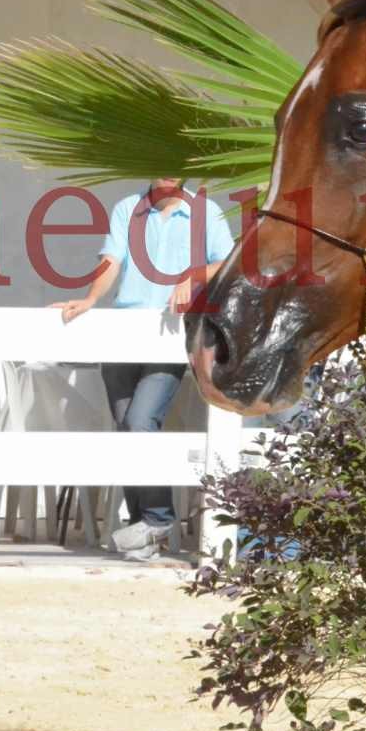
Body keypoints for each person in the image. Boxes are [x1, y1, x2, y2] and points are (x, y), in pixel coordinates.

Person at [53, 177, 233, 560]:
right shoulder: (127, 209)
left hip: (169, 337)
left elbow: (228, 262)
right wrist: (90, 298)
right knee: (126, 429)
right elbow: (111, 259)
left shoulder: (206, 212)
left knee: (139, 421)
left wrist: (192, 276)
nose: (167, 172)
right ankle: (143, 530)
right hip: (122, 332)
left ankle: (157, 518)